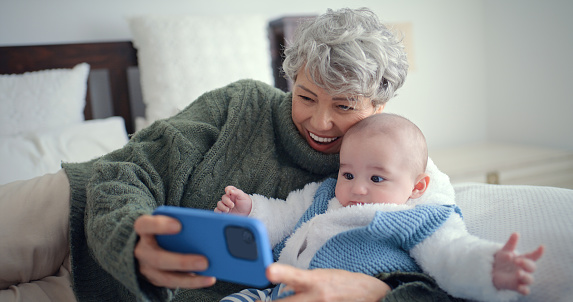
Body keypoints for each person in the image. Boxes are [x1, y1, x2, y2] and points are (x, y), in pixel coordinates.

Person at [1, 7, 464, 302]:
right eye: (305, 97)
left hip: (104, 294)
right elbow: (127, 169)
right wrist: (133, 244)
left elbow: (443, 276)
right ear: (290, 80)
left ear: (378, 105)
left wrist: (373, 289)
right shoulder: (241, 104)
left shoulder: (402, 176)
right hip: (74, 210)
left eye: (343, 106)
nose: (320, 123)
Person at [216, 113, 545, 302]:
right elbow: (283, 214)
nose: (357, 187)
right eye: (348, 173)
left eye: (377, 178)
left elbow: (452, 252)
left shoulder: (415, 218)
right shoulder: (325, 195)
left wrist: (488, 267)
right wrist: (248, 211)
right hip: (278, 291)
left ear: (416, 187)